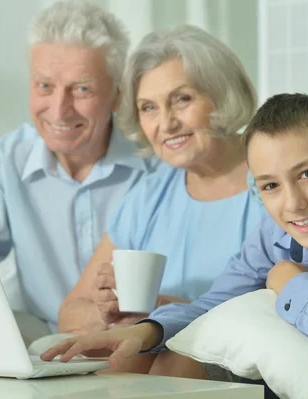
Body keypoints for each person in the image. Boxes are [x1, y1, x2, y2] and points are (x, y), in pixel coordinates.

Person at [41, 93, 308, 371]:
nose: (293, 203)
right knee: (170, 356)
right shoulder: (275, 235)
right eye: (271, 186)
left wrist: (287, 279)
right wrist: (145, 329)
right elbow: (217, 303)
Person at [0, 1, 159, 343]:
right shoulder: (5, 160)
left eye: (82, 89)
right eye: (44, 86)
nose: (58, 110)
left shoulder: (155, 165)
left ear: (117, 96)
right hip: (39, 342)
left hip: (131, 344)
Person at [54, 25, 264, 376]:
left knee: (176, 359)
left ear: (222, 95)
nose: (165, 123)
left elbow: (290, 299)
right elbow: (70, 312)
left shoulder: (273, 176)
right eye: (148, 107)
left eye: (182, 99)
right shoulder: (149, 195)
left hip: (240, 359)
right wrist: (109, 312)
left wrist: (172, 314)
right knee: (128, 357)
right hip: (154, 358)